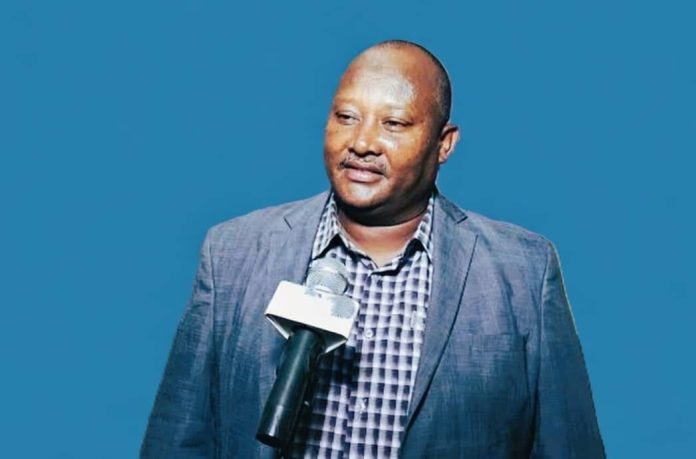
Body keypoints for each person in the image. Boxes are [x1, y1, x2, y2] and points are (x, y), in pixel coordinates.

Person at [141, 40, 605, 458]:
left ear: (443, 144)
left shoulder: (523, 271)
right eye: (346, 117)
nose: (361, 142)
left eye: (394, 123)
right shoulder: (233, 253)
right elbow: (177, 438)